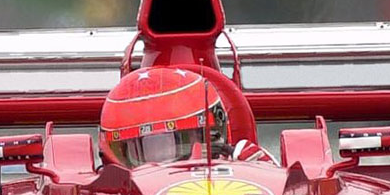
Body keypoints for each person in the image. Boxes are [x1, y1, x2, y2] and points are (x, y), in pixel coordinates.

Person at [99, 66, 272, 167]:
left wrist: (260, 173)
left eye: (183, 143)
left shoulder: (243, 164)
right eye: (154, 147)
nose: (170, 160)